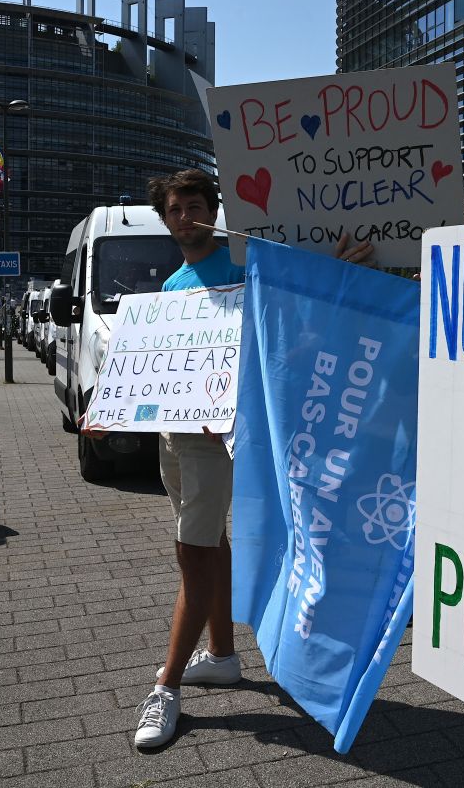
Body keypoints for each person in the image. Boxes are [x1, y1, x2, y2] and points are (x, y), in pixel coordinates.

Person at [133, 168, 374, 750]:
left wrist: (340, 275)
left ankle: (166, 687)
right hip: (174, 434)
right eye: (175, 209)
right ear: (163, 220)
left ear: (214, 209)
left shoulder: (247, 266)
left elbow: (296, 331)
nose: (187, 217)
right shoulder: (171, 285)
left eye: (196, 205)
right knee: (209, 544)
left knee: (194, 554)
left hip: (220, 436)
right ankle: (220, 656)